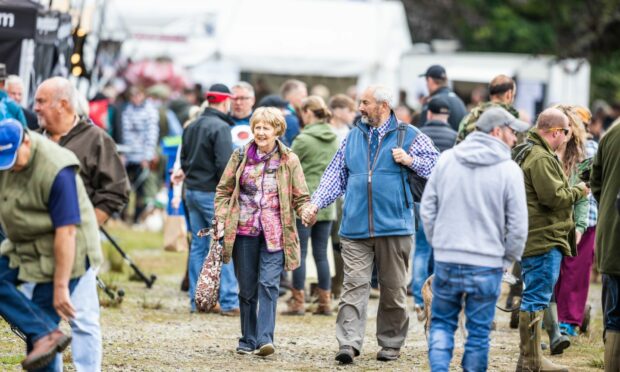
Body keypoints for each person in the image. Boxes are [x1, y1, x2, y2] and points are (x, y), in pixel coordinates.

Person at [303, 85, 440, 364]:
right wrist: (315, 203)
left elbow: (439, 168)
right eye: (360, 102)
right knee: (353, 286)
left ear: (384, 106)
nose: (360, 108)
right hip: (355, 227)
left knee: (393, 289)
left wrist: (411, 161)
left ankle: (390, 343)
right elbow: (334, 176)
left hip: (395, 226)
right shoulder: (353, 136)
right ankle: (348, 343)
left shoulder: (410, 136)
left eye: (365, 102)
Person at [420, 107, 529, 371]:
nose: (515, 139)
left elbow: (427, 208)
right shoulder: (509, 170)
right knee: (479, 332)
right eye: (512, 132)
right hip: (488, 262)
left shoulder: (447, 160)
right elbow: (518, 226)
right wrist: (506, 259)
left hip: (448, 258)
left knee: (442, 324)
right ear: (497, 131)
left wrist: (440, 243)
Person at [32, 77, 129, 371]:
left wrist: (85, 228)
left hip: (79, 244)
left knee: (83, 317)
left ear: (63, 104)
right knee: (41, 316)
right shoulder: (34, 139)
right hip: (37, 242)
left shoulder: (96, 140)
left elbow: (115, 191)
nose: (34, 108)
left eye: (40, 102)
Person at [0, 119, 103, 371]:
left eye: (14, 159)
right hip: (25, 245)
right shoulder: (6, 162)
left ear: (26, 141)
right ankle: (45, 333)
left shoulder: (57, 168)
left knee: (42, 329)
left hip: (68, 248)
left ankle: (44, 333)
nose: (10, 168)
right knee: (41, 334)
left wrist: (60, 287)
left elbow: (67, 232)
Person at [214, 107, 312, 356]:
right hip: (244, 231)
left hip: (276, 233)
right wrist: (222, 218)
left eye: (265, 128)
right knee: (247, 288)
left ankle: (265, 339)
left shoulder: (289, 160)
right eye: (257, 127)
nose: (260, 132)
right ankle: (247, 338)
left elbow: (301, 196)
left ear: (277, 130)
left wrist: (306, 211)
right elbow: (223, 190)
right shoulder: (240, 155)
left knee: (269, 284)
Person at [513, 107, 588, 372]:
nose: (568, 136)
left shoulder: (531, 151)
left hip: (537, 237)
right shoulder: (540, 157)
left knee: (535, 297)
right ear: (555, 132)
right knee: (536, 299)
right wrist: (579, 190)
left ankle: (529, 359)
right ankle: (532, 360)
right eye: (566, 131)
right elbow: (553, 198)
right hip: (543, 238)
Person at [179, 83, 240, 315]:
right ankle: (228, 301)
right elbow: (225, 166)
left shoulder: (192, 125)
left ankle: (198, 301)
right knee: (223, 246)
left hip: (192, 190)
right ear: (225, 102)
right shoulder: (221, 128)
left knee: (198, 246)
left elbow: (183, 159)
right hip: (212, 193)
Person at [283, 96, 339, 315]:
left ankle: (298, 301)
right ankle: (324, 300)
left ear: (307, 113)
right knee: (321, 254)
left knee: (300, 252)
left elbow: (289, 167)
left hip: (304, 202)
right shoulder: (334, 138)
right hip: (328, 203)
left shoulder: (304, 139)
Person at [411, 97, 456, 321]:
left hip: (420, 198)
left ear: (428, 114)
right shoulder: (455, 137)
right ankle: (437, 296)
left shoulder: (415, 134)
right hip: (445, 200)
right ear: (446, 116)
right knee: (440, 249)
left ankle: (419, 301)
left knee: (420, 249)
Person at [551, 106, 592, 344]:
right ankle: (552, 325)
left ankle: (568, 322)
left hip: (575, 223)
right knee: (552, 276)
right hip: (548, 226)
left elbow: (585, 195)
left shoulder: (581, 159)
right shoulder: (543, 154)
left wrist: (580, 226)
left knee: (574, 274)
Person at [590, 119, 620, 371]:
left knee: (615, 313)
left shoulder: (611, 134)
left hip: (612, 231)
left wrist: (609, 208)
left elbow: (595, 180)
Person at [327, 94, 356, 299]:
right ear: (337, 110)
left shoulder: (352, 134)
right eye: (350, 110)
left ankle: (338, 284)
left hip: (345, 193)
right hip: (327, 191)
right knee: (322, 242)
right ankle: (322, 286)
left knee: (340, 241)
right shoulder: (326, 132)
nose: (353, 114)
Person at [121, 86, 160, 222]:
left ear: (143, 95)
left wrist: (147, 156)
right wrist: (123, 154)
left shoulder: (150, 111)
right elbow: (125, 133)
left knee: (140, 191)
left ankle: (137, 218)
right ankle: (124, 217)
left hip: (142, 156)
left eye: (137, 95)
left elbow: (151, 135)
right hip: (129, 155)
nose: (135, 99)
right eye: (132, 96)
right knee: (125, 188)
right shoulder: (127, 109)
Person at [456, 75, 519, 144]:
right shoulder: (512, 119)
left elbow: (459, 145)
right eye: (513, 95)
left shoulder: (470, 116)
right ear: (508, 94)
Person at [418, 65, 467, 131]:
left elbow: (421, 133)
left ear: (430, 80)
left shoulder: (433, 102)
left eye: (426, 81)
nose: (426, 84)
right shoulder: (459, 101)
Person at [280, 79, 308, 145]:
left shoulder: (296, 115)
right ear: (291, 96)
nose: (306, 100)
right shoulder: (289, 118)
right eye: (303, 96)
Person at [230, 82, 256, 148]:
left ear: (252, 100)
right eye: (234, 98)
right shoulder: (222, 122)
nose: (238, 102)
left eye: (242, 98)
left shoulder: (262, 123)